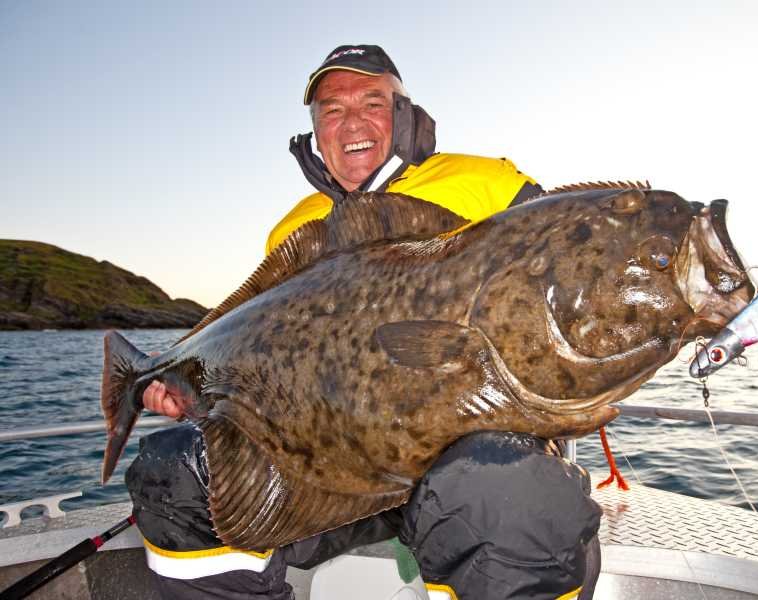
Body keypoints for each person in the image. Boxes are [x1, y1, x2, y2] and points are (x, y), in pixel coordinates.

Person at [128, 44, 602, 600]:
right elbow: (270, 369)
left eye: (372, 102)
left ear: (403, 114)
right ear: (316, 132)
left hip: (479, 450)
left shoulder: (489, 182)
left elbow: (573, 269)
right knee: (174, 471)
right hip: (334, 472)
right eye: (332, 110)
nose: (351, 121)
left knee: (498, 491)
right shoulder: (294, 231)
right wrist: (197, 393)